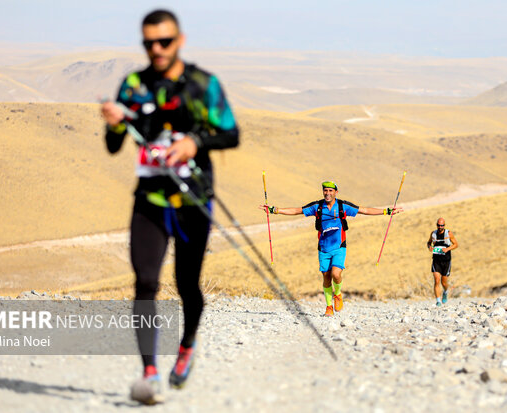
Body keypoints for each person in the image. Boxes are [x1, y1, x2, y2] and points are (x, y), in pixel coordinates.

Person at [101, 9, 239, 402]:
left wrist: (196, 142)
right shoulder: (132, 85)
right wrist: (113, 122)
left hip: (193, 198)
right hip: (149, 199)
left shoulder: (202, 84)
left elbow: (231, 134)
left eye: (164, 42)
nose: (156, 49)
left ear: (179, 40)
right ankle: (150, 373)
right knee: (145, 281)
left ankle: (187, 344)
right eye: (148, 43)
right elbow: (113, 146)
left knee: (186, 285)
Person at [262, 181, 402, 316]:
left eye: (330, 191)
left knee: (336, 274)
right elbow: (297, 210)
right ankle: (329, 306)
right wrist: (275, 210)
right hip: (323, 248)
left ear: (336, 192)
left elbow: (364, 210)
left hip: (339, 246)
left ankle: (338, 294)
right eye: (325, 190)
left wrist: (387, 211)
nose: (327, 193)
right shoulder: (317, 206)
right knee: (326, 277)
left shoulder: (342, 206)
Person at [427, 218, 458, 307]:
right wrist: (429, 247)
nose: (440, 227)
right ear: (436, 225)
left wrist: (447, 249)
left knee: (444, 282)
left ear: (444, 225)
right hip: (436, 260)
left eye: (442, 225)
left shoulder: (448, 233)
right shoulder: (433, 234)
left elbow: (456, 244)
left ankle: (445, 291)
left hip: (446, 261)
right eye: (439, 225)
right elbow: (429, 242)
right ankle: (438, 301)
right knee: (436, 280)